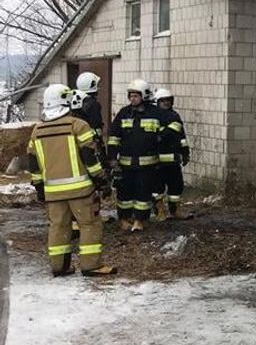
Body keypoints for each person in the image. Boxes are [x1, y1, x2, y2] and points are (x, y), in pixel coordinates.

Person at [26, 84, 116, 277]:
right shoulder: (78, 125)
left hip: (52, 192)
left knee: (58, 227)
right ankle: (91, 265)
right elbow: (89, 157)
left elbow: (33, 163)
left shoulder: (37, 131)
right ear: (66, 101)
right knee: (89, 224)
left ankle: (60, 267)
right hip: (81, 190)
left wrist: (40, 188)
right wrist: (101, 180)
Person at [106, 79, 162, 232]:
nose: (132, 99)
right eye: (130, 96)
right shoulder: (124, 113)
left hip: (147, 165)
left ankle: (139, 220)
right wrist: (112, 158)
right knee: (124, 193)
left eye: (136, 96)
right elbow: (114, 136)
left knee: (143, 193)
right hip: (126, 164)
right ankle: (124, 219)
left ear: (144, 95)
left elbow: (163, 136)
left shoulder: (155, 113)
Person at [152, 88, 191, 220]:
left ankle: (175, 210)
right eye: (163, 100)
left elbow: (181, 137)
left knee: (176, 185)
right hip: (157, 159)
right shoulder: (153, 117)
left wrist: (185, 153)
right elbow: (156, 136)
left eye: (168, 100)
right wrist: (167, 131)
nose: (166, 103)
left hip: (173, 159)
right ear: (157, 102)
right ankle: (159, 210)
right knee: (157, 186)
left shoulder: (175, 116)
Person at [73, 71, 106, 157]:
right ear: (92, 85)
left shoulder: (74, 100)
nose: (98, 87)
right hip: (90, 141)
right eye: (96, 85)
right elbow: (96, 125)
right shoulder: (93, 104)